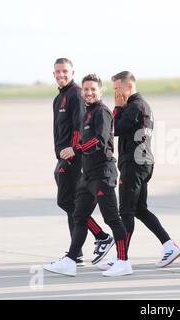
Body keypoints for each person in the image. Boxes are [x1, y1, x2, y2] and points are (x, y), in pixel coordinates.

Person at [44, 74, 131, 277]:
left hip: (103, 173)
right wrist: (76, 151)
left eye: (93, 89)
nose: (89, 92)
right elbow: (82, 138)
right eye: (86, 89)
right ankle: (70, 261)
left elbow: (99, 141)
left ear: (100, 91)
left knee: (113, 219)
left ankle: (124, 261)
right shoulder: (87, 113)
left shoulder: (102, 112)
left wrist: (77, 149)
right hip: (88, 175)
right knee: (79, 216)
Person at [97, 71, 180, 269]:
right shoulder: (142, 105)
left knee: (125, 211)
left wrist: (116, 107)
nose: (115, 93)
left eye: (117, 89)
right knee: (140, 209)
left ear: (129, 86)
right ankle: (169, 245)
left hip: (134, 164)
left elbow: (113, 129)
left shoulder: (134, 106)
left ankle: (121, 257)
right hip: (143, 162)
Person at [52, 58, 113, 265]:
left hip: (75, 159)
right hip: (63, 156)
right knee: (73, 205)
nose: (61, 75)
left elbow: (79, 127)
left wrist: (74, 151)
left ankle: (101, 236)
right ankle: (76, 252)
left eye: (64, 71)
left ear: (72, 72)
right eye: (57, 72)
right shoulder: (58, 98)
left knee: (68, 202)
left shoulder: (76, 95)